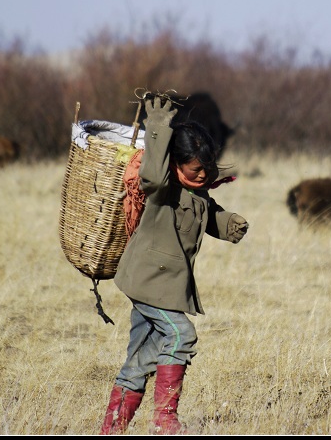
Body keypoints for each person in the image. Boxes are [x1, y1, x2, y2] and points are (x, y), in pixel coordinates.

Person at [99, 95, 249, 435]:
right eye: (196, 169)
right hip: (149, 283)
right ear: (176, 165)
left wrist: (229, 225)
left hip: (163, 286)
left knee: (139, 360)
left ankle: (111, 429)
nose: (203, 175)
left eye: (207, 169)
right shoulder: (162, 188)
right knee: (181, 334)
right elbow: (151, 175)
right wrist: (157, 128)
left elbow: (207, 214)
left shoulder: (197, 193)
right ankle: (165, 421)